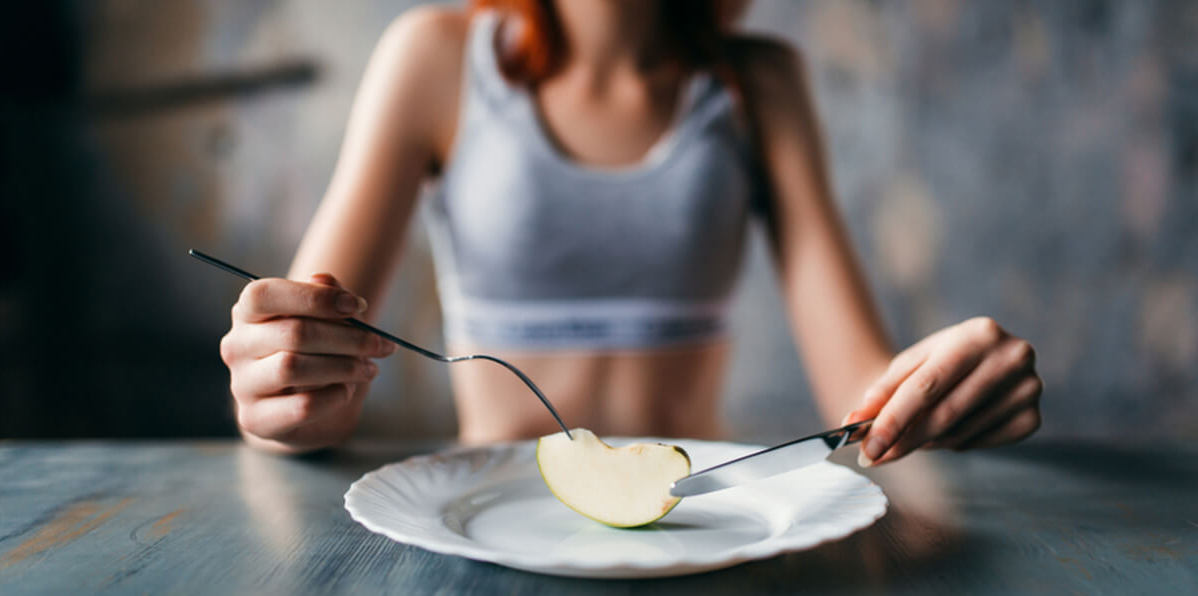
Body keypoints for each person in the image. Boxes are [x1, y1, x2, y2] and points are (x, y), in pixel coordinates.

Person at [218, 0, 1042, 464]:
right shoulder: (433, 58)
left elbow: (862, 397)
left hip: (695, 529)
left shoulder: (758, 83)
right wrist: (284, 392)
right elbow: (308, 340)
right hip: (487, 530)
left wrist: (946, 390)